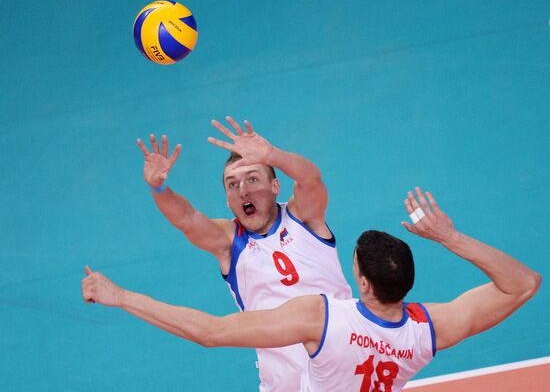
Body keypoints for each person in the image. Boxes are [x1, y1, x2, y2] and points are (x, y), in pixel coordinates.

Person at [82, 188, 541, 391]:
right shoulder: (428, 330)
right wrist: (450, 237)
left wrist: (120, 296)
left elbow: (209, 332)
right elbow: (522, 285)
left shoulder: (321, 319)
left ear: (361, 282)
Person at [136, 117, 352, 390]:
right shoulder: (229, 242)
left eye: (252, 179)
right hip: (286, 384)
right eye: (232, 184)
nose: (243, 190)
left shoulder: (303, 218)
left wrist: (274, 156)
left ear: (276, 187)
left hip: (347, 369)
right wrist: (159, 188)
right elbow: (186, 219)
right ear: (227, 200)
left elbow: (311, 179)